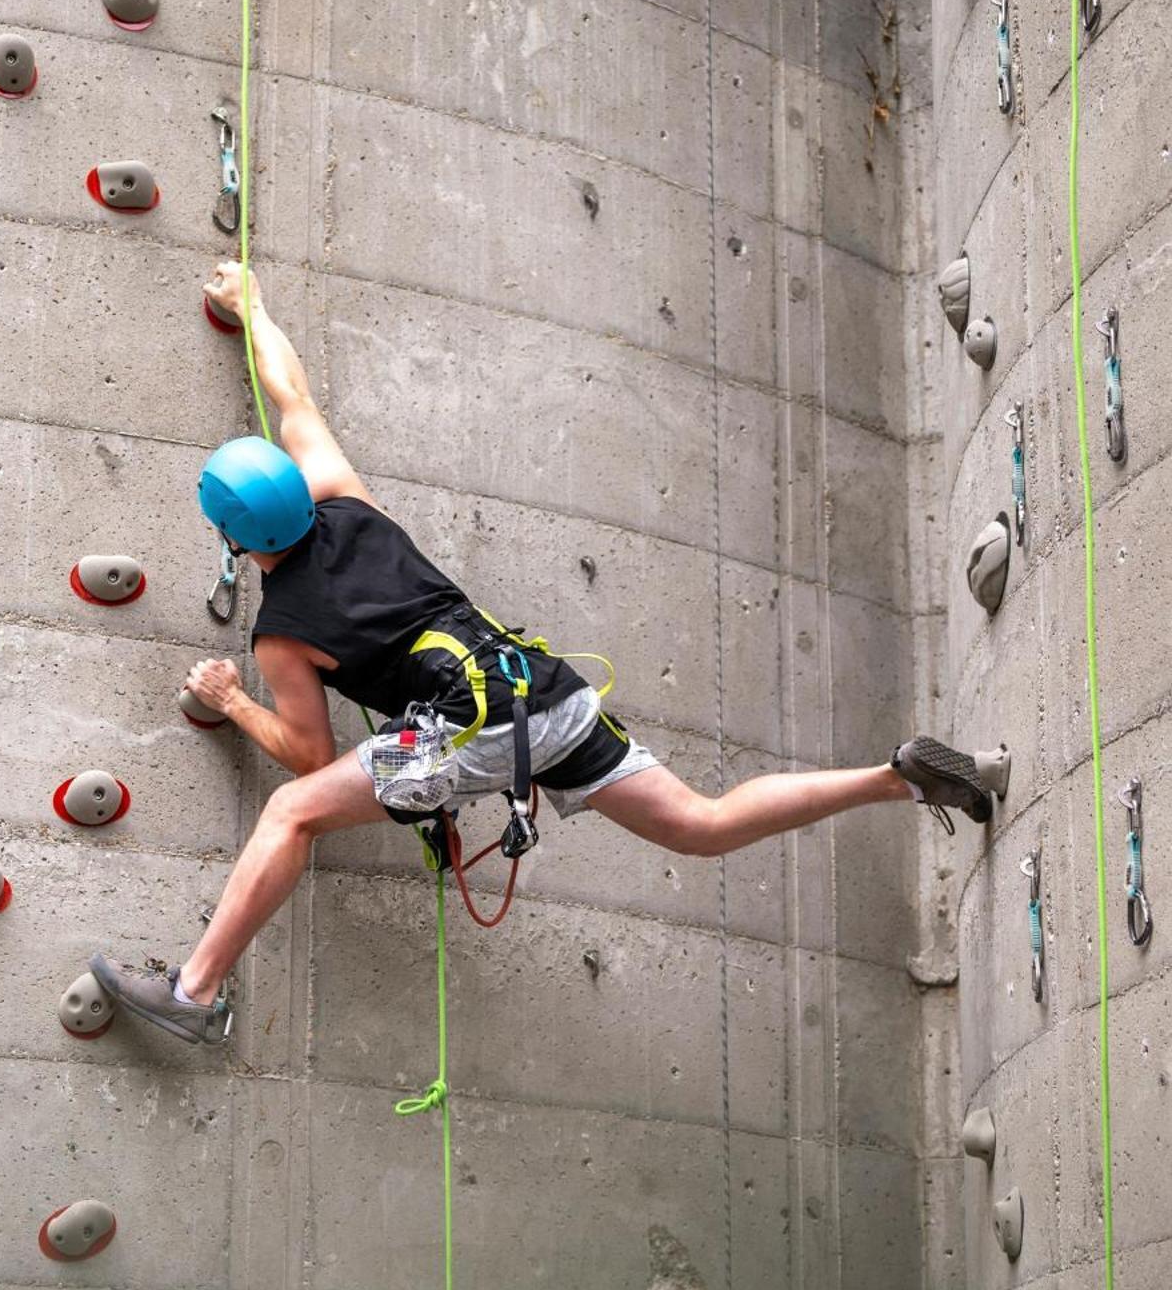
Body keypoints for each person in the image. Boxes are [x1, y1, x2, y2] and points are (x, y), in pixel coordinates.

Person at [89, 262, 1007, 1045]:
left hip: (470, 728)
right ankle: (900, 777)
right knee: (701, 821)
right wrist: (253, 305)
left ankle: (194, 995)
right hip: (542, 689)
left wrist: (232, 697)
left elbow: (311, 755)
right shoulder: (346, 500)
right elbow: (291, 395)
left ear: (231, 535)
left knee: (291, 813)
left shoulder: (283, 629)